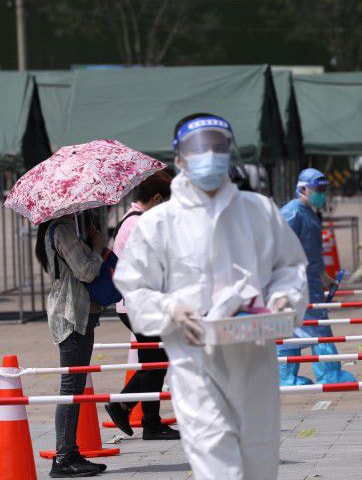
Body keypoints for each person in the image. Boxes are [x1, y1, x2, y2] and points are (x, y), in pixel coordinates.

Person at [113, 113, 308, 480]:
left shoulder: (258, 211)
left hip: (254, 357)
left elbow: (290, 268)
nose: (210, 155)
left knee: (259, 464)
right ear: (180, 159)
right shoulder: (159, 224)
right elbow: (134, 288)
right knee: (218, 465)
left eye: (219, 146)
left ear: (230, 152)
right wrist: (170, 309)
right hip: (195, 361)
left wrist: (284, 299)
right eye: (199, 148)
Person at [104, 170, 180, 441]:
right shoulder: (138, 224)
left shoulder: (133, 220)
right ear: (158, 199)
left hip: (136, 303)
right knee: (156, 361)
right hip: (138, 304)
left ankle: (144, 418)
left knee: (155, 361)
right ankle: (129, 409)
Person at [35, 212, 108, 477]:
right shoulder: (62, 230)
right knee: (70, 389)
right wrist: (97, 247)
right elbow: (86, 272)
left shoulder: (65, 229)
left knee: (75, 388)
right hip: (71, 315)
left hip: (78, 313)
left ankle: (70, 451)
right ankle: (64, 457)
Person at [278, 168, 356, 386]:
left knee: (294, 328)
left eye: (324, 190)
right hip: (295, 282)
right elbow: (277, 247)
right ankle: (329, 375)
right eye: (317, 189)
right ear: (303, 189)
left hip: (308, 282)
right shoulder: (292, 213)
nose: (322, 194)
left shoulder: (308, 213)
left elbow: (312, 254)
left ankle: (286, 376)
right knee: (317, 327)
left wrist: (324, 277)